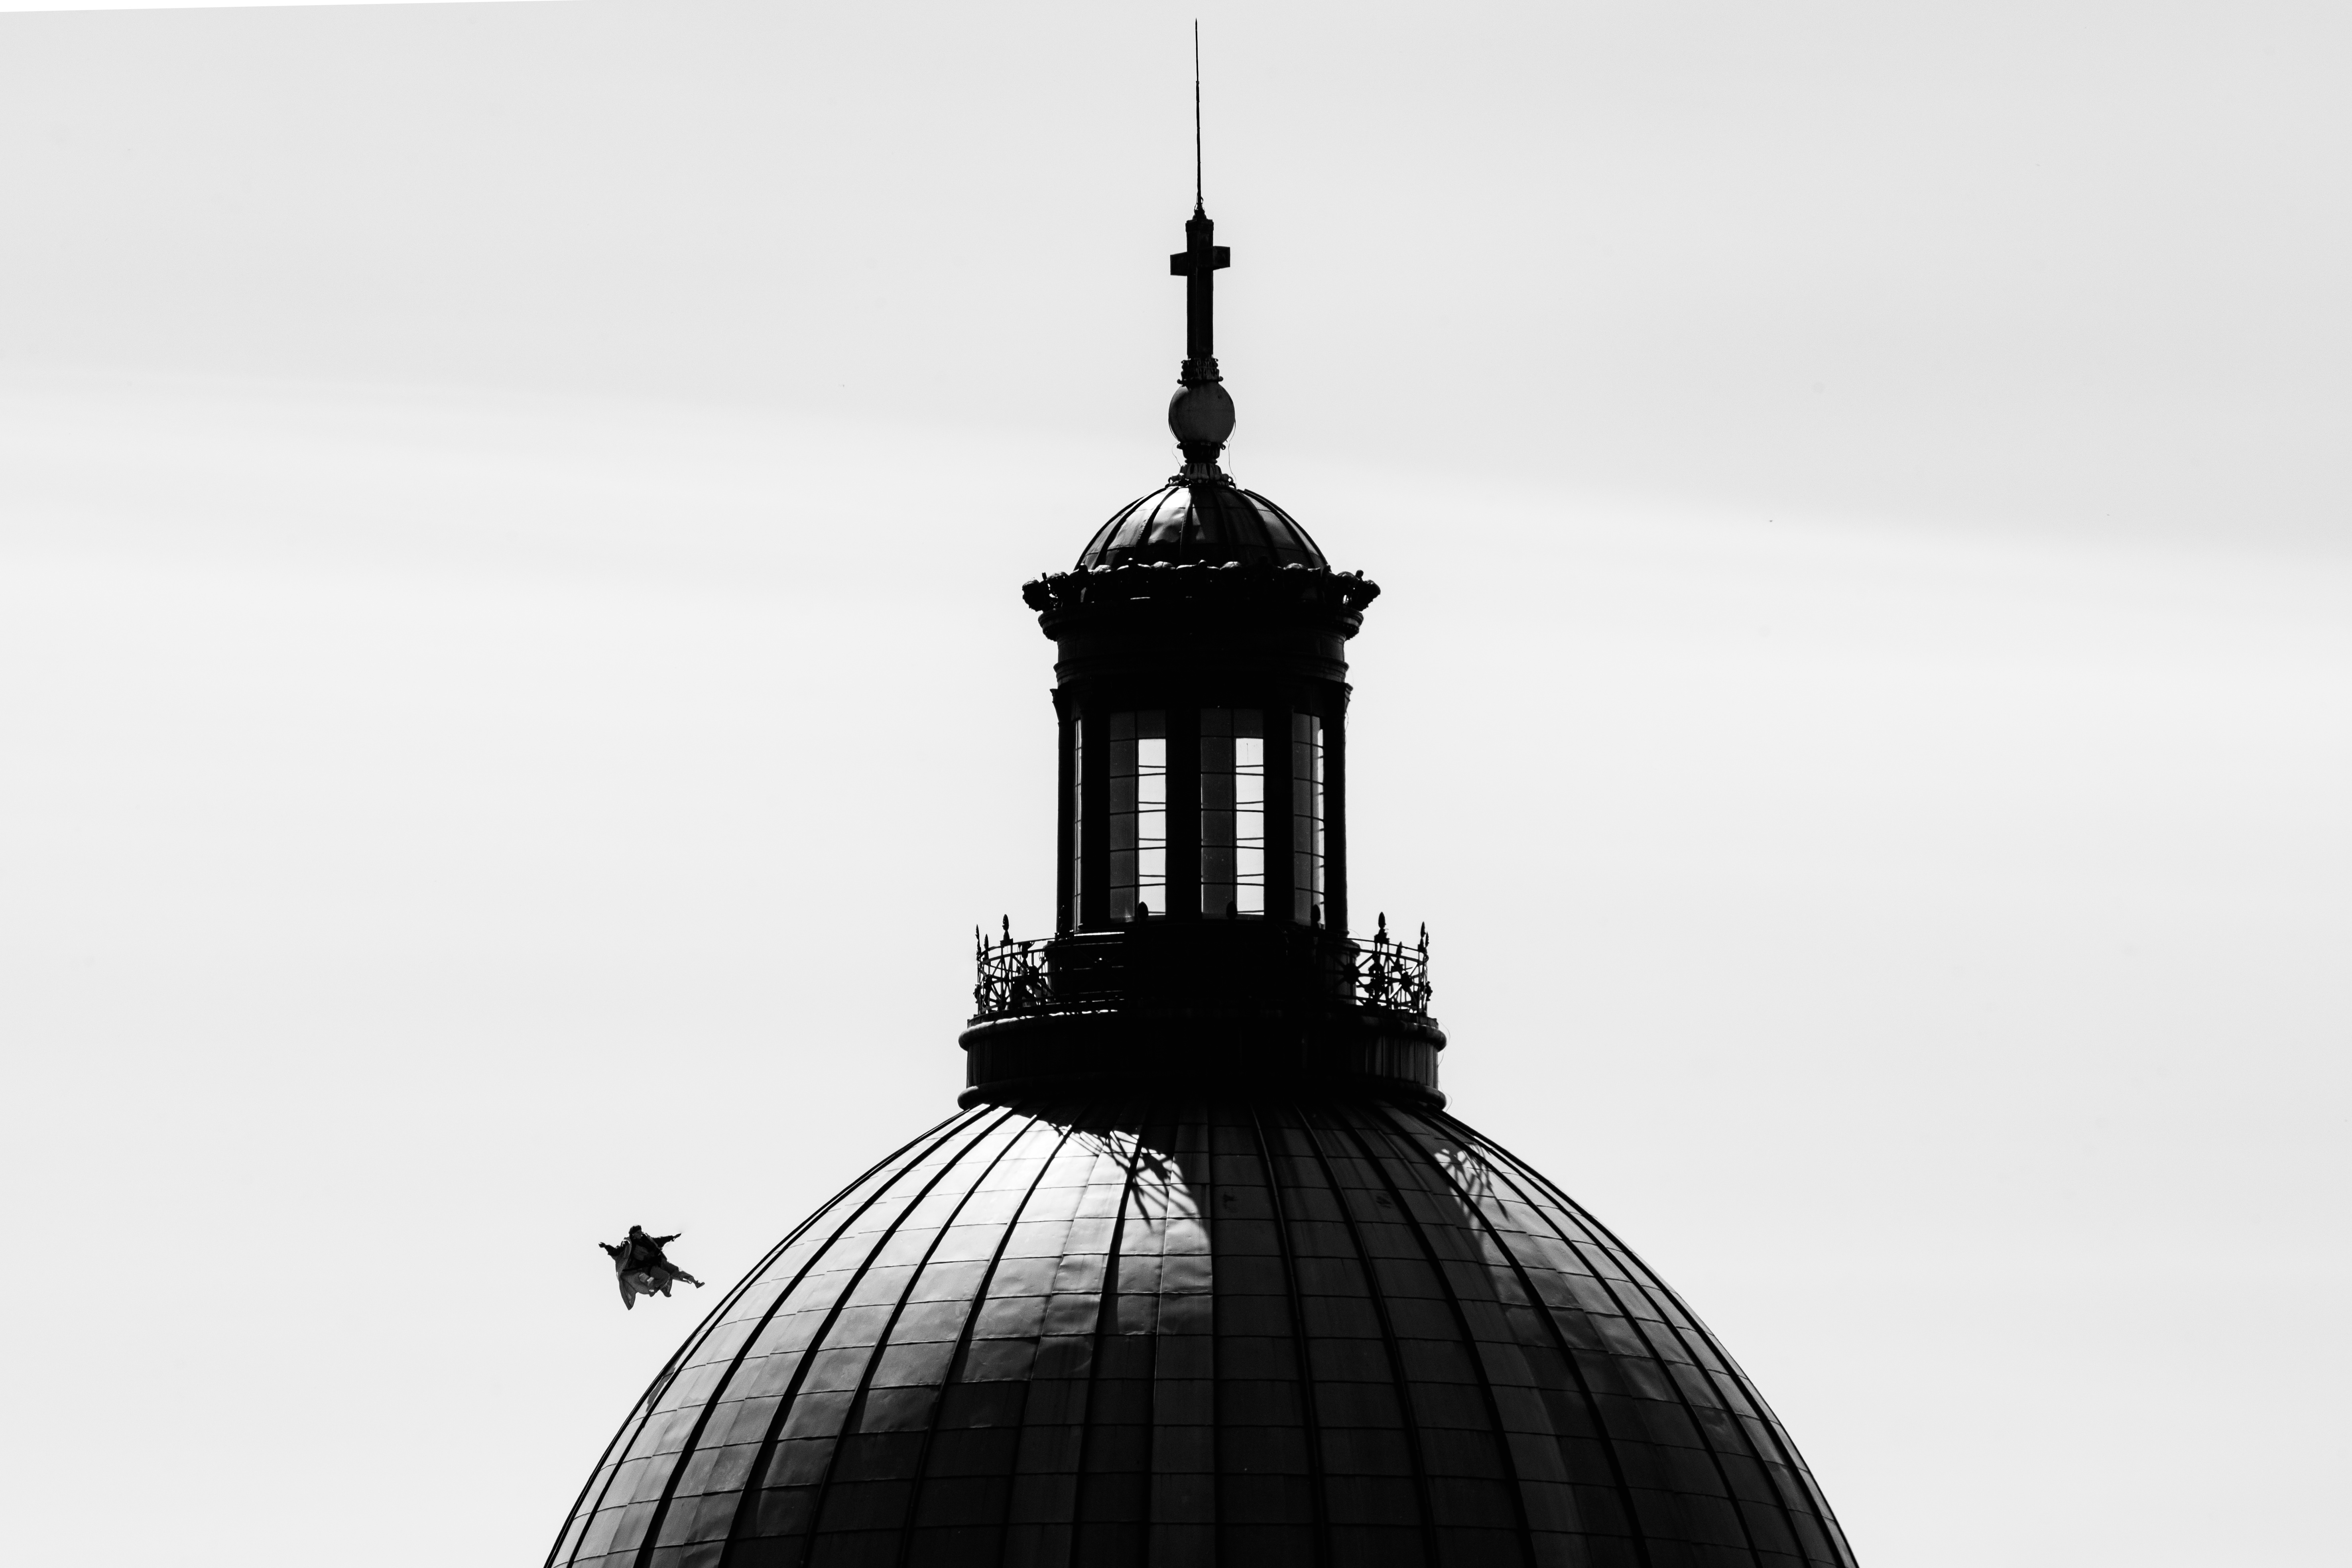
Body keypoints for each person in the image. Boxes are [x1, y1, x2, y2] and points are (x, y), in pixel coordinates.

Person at [598, 1224, 706, 1309]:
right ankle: (653, 1286)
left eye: (641, 1231)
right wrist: (606, 1247)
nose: (640, 1233)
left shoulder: (646, 1238)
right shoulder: (629, 1244)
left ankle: (695, 1282)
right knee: (666, 1277)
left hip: (659, 1261)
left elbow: (659, 1240)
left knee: (676, 1270)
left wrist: (672, 1237)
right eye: (638, 1233)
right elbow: (617, 1252)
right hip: (649, 1267)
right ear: (634, 1235)